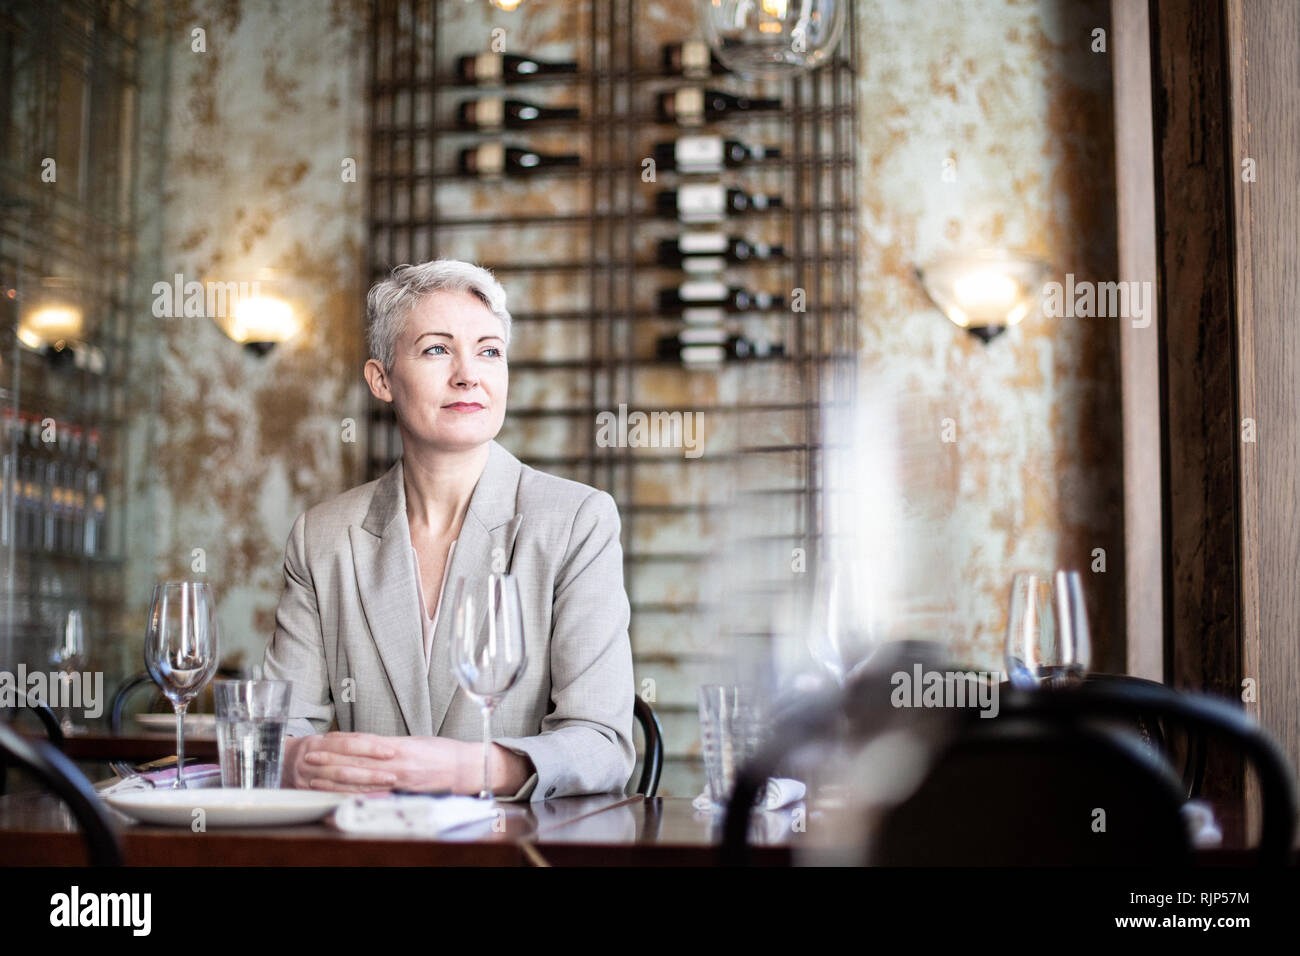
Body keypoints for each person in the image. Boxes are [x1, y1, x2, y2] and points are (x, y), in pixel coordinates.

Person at [263, 259, 634, 801]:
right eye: (437, 349)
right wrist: (294, 756)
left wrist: (468, 770)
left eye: (489, 351)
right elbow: (283, 730)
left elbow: (602, 744)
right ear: (381, 379)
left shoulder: (579, 521)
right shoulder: (320, 537)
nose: (469, 374)